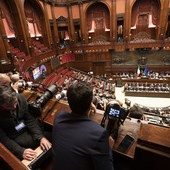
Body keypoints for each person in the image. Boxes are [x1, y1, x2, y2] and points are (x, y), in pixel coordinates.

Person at [52, 82, 114, 170]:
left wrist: (86, 109)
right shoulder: (99, 134)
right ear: (90, 104)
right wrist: (109, 148)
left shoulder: (59, 117)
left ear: (68, 102)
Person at [0, 85, 52, 161]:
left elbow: (30, 119)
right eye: (8, 106)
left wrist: (40, 137)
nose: (14, 107)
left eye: (15, 102)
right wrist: (20, 151)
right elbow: (3, 139)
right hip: (15, 137)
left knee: (53, 135)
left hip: (28, 129)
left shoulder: (20, 98)